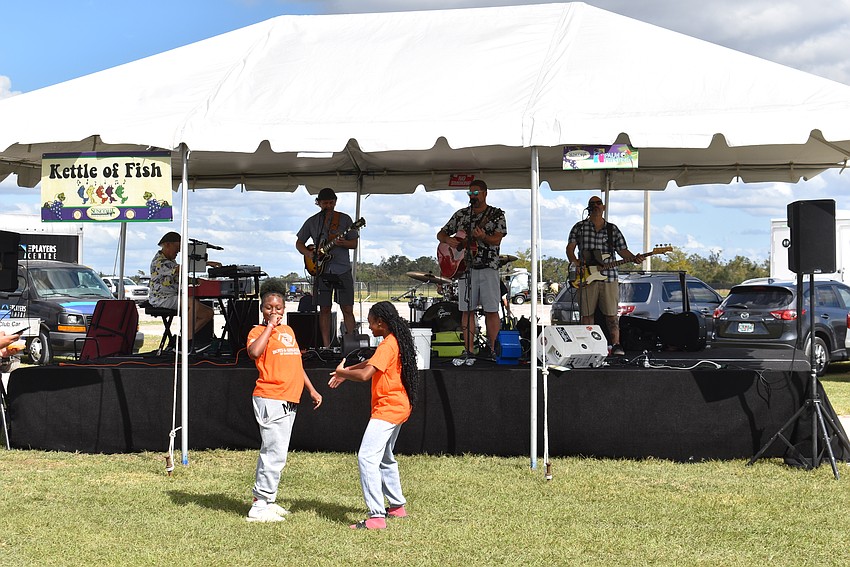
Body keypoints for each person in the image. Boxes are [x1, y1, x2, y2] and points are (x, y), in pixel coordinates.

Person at [328, 301, 421, 530]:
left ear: (381, 322)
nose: (368, 327)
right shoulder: (392, 341)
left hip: (388, 408)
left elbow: (366, 375)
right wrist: (346, 371)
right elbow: (371, 362)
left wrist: (343, 372)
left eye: (370, 322)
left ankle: (376, 517)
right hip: (399, 406)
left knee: (367, 457)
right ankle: (397, 507)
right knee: (385, 457)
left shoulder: (387, 345)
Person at [246, 282, 323, 523]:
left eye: (278, 307)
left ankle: (268, 500)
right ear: (262, 309)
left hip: (290, 398)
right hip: (271, 397)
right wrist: (269, 327)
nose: (274, 311)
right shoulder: (257, 331)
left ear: (284, 307)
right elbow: (254, 353)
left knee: (278, 452)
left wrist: (311, 389)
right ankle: (259, 506)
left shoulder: (288, 331)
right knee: (273, 453)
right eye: (269, 308)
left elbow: (296, 364)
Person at [436, 179, 507, 364]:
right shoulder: (461, 215)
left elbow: (497, 239)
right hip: (465, 269)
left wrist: (484, 236)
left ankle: (493, 349)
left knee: (492, 309)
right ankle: (468, 351)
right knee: (467, 310)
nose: (473, 196)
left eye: (476, 193)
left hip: (488, 266)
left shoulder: (496, 214)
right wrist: (448, 240)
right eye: (470, 193)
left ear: (485, 193)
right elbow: (440, 234)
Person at [566, 196, 644, 356]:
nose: (596, 206)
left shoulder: (612, 229)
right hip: (586, 276)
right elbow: (570, 248)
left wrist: (634, 258)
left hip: (608, 277)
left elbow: (623, 250)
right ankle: (587, 344)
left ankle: (616, 345)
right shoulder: (579, 227)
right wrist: (575, 262)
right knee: (586, 314)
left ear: (604, 207)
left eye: (598, 203)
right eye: (592, 204)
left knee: (611, 314)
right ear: (588, 208)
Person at [296, 188, 359, 347]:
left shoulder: (345, 219)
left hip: (342, 269)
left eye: (331, 202)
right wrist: (310, 254)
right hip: (321, 271)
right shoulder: (312, 221)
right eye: (325, 203)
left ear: (335, 202)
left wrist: (344, 243)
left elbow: (354, 243)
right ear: (319, 203)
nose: (329, 206)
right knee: (324, 308)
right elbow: (299, 243)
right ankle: (326, 346)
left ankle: (350, 345)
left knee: (347, 307)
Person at [149, 231, 216, 342]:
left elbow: (178, 277)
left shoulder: (170, 261)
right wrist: (205, 263)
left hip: (172, 297)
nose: (178, 251)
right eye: (177, 248)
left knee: (208, 313)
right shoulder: (159, 262)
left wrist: (196, 280)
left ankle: (183, 339)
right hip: (162, 298)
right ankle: (187, 342)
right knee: (192, 304)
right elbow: (179, 269)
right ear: (167, 245)